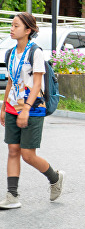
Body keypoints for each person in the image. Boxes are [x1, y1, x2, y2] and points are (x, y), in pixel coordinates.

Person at [0, 12, 64, 209]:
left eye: (16, 26)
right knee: (12, 150)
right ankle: (12, 195)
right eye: (12, 25)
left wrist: (26, 109)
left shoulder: (35, 52)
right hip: (12, 106)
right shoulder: (10, 53)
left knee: (27, 154)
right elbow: (10, 81)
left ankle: (55, 178)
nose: (12, 29)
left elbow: (37, 84)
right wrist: (3, 107)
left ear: (28, 30)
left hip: (32, 108)